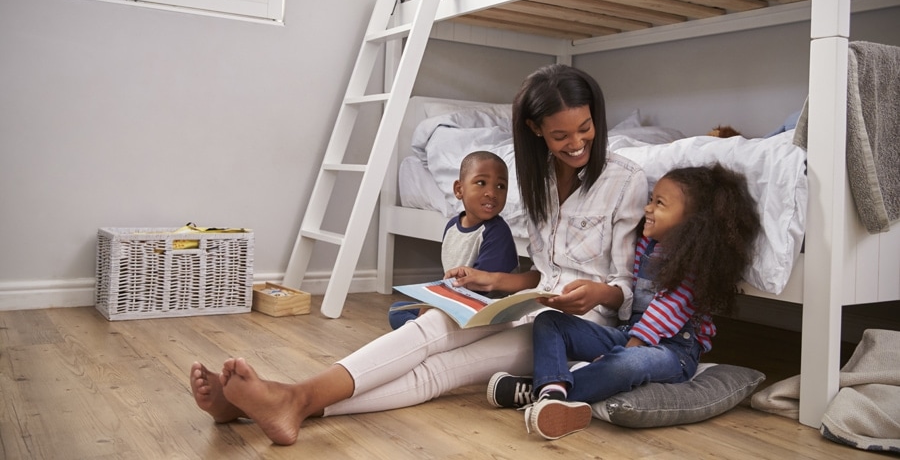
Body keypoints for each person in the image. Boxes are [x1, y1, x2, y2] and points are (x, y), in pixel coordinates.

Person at [189, 64, 647, 445]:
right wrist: (494, 283)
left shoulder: (626, 180)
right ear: (535, 130)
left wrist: (598, 294)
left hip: (574, 326)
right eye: (559, 135)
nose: (575, 144)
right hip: (530, 302)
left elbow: (624, 290)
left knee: (443, 369)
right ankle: (279, 402)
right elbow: (544, 272)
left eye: (585, 129)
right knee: (431, 325)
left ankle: (290, 401)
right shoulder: (537, 177)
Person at [487, 163, 761, 440]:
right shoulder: (647, 245)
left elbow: (663, 311)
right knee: (549, 321)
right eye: (651, 199)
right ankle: (552, 392)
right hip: (630, 335)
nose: (648, 208)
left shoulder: (694, 264)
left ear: (690, 221)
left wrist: (624, 351)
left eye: (659, 204)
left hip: (674, 353)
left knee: (626, 365)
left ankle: (544, 392)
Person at [388, 149, 519, 329]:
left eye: (500, 186)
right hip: (457, 302)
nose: (492, 193)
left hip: (482, 312)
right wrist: (431, 304)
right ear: (459, 189)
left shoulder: (497, 232)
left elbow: (476, 288)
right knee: (397, 310)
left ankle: (424, 333)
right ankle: (425, 332)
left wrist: (436, 305)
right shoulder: (452, 226)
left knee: (422, 318)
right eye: (481, 183)